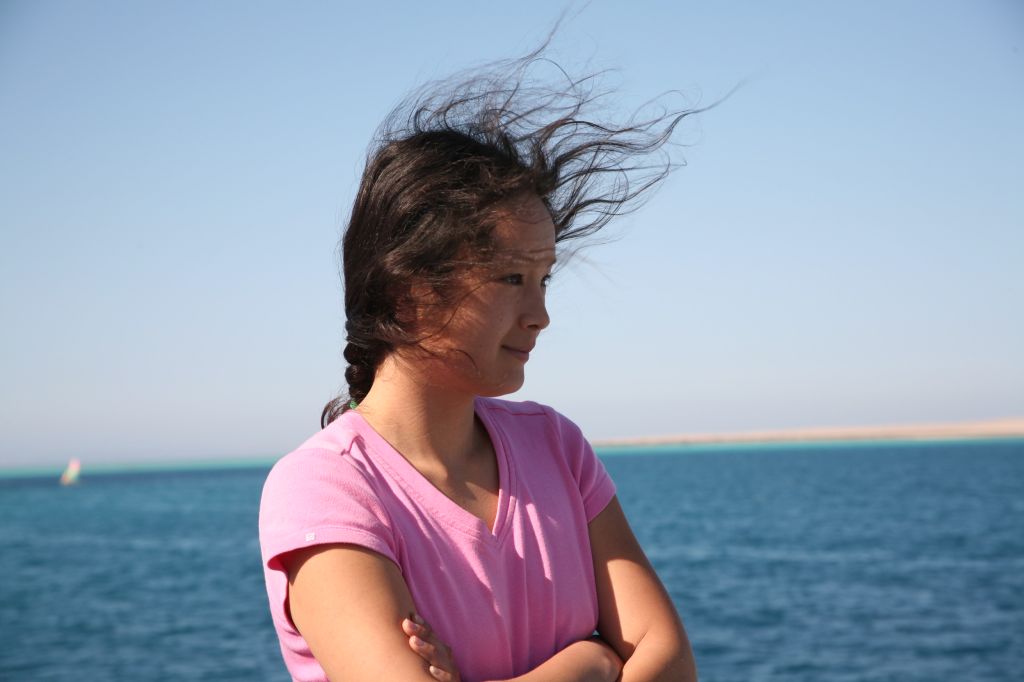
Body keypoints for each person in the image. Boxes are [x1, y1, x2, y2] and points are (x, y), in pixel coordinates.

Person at [259, 43, 700, 682]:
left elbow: (672, 662)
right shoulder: (327, 488)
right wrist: (591, 662)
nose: (540, 315)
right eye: (511, 279)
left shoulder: (555, 446)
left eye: (545, 279)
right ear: (409, 291)